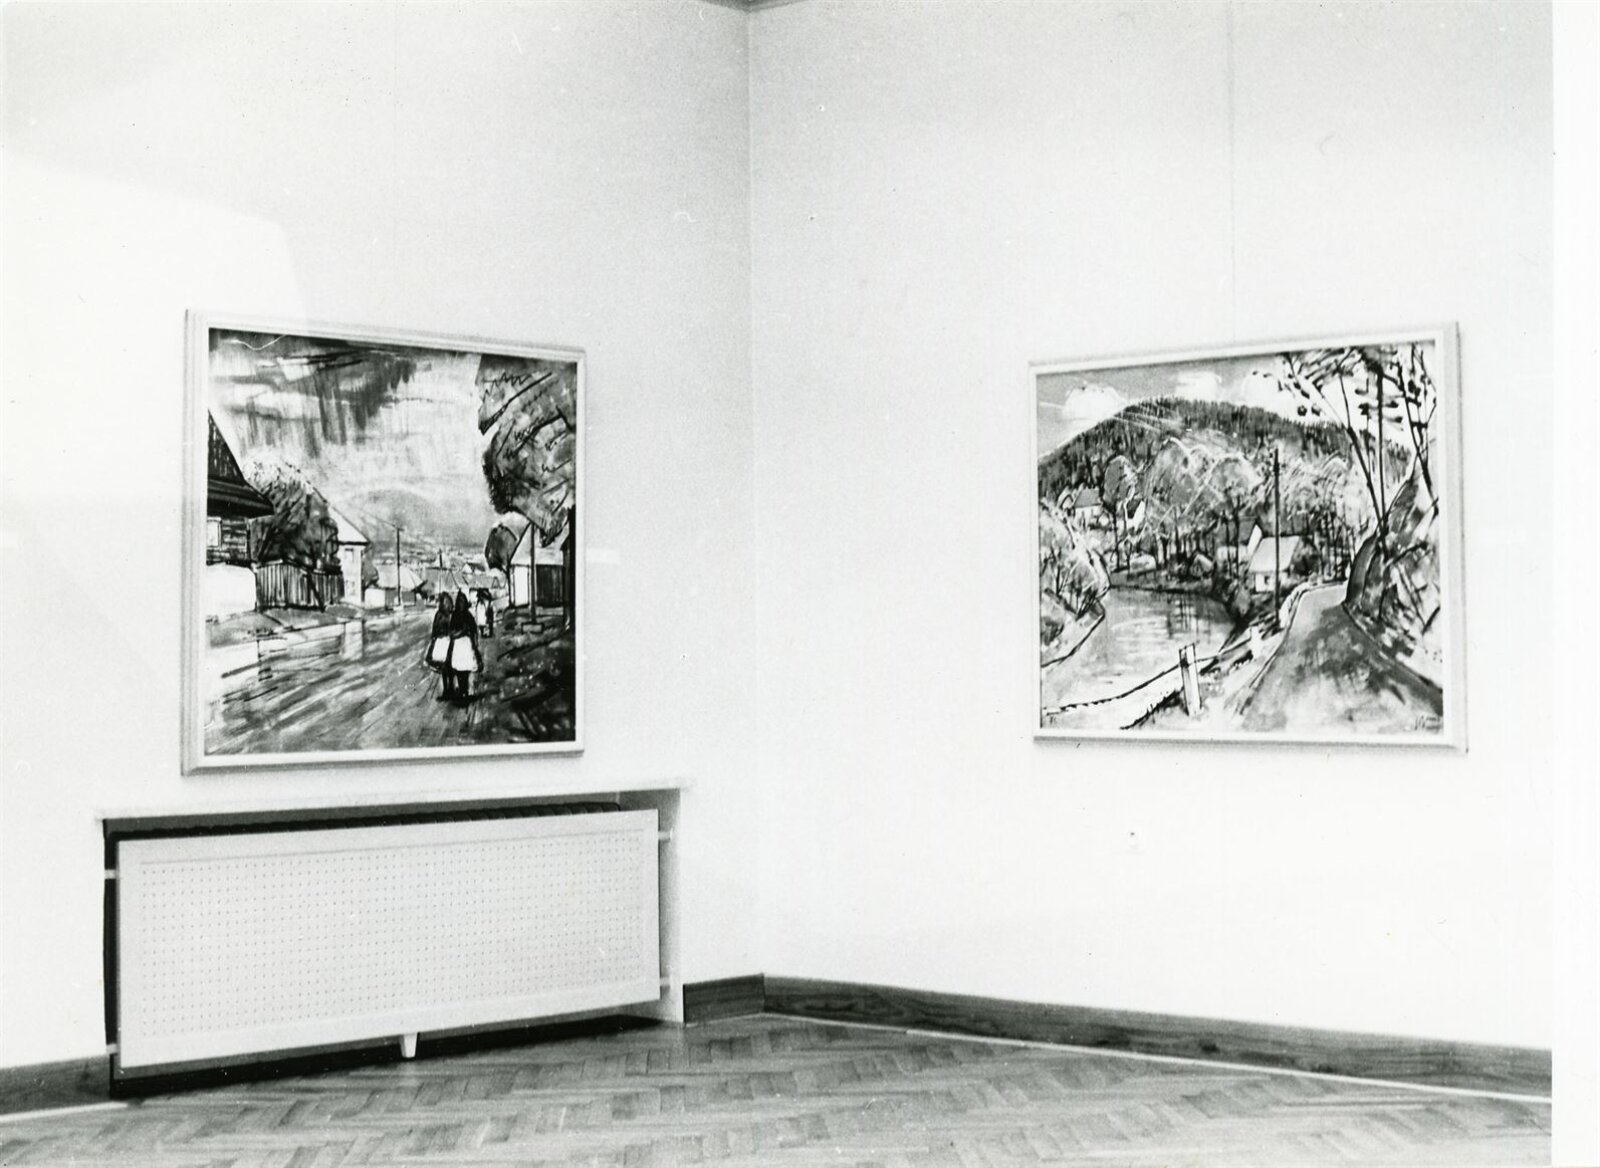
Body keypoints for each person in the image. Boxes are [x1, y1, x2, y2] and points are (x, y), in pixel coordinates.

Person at [447, 588, 481, 702]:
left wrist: (475, 643)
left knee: (465, 670)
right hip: (458, 646)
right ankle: (462, 691)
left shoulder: (468, 615)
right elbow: (451, 633)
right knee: (459, 670)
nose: (461, 604)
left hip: (466, 646)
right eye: (459, 602)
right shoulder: (455, 616)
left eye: (463, 601)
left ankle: (464, 691)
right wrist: (462, 631)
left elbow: (474, 630)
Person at [426, 593, 455, 698]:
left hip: (449, 641)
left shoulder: (450, 614)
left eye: (445, 602)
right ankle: (447, 689)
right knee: (444, 667)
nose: (443, 604)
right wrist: (434, 639)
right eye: (442, 602)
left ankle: (450, 688)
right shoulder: (439, 614)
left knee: (449, 666)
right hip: (441, 642)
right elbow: (435, 628)